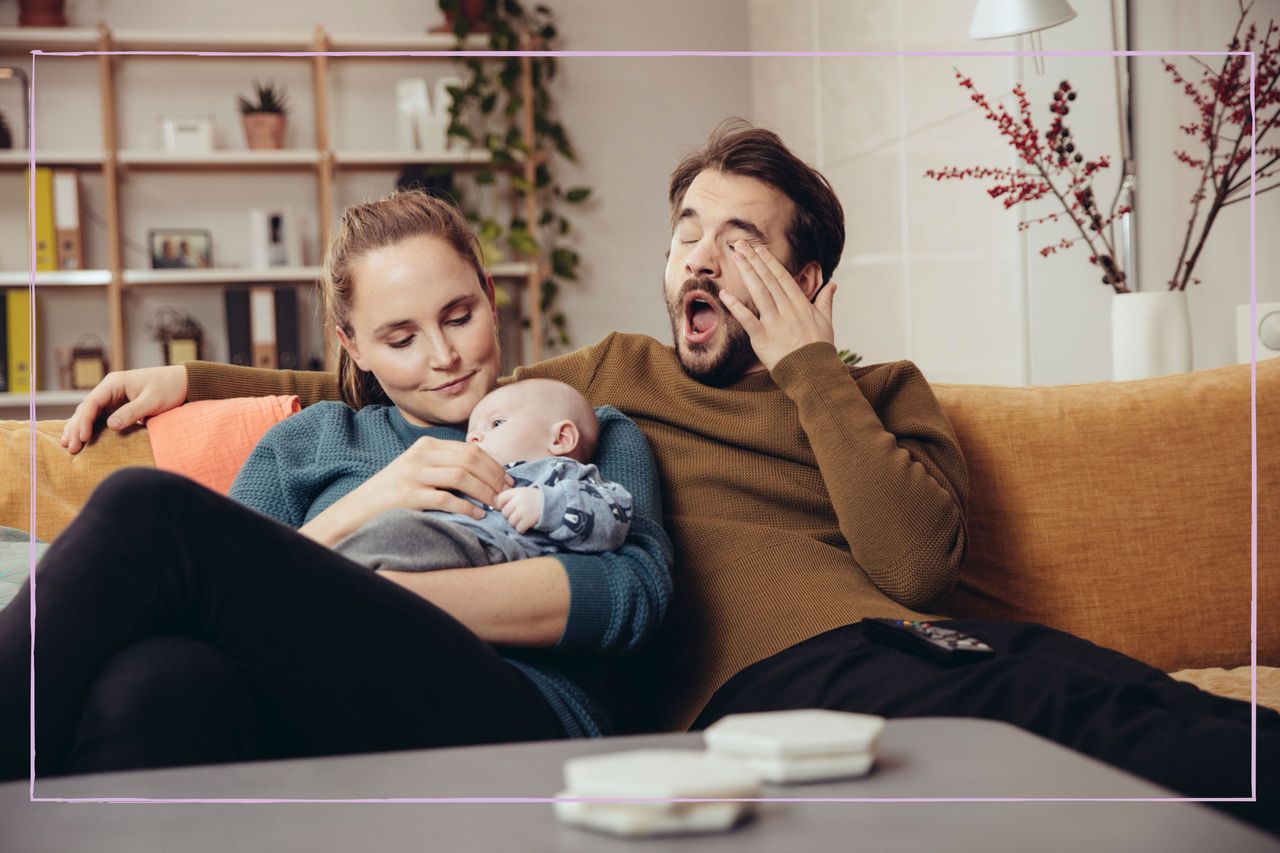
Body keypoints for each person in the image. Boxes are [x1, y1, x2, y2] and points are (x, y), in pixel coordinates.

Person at [51, 120, 1277, 833]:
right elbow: (403, 383)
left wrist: (806, 363)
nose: (697, 253)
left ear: (803, 279)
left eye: (736, 238)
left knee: (1191, 735)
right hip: (772, 695)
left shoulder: (883, 391)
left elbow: (914, 564)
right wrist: (198, 381)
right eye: (687, 226)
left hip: (926, 646)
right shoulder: (614, 374)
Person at [0, 190, 672, 779]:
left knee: (143, 507)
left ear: (492, 302)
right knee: (154, 685)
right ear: (354, 347)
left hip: (517, 712)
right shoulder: (308, 443)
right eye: (401, 337)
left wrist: (374, 596)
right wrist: (371, 500)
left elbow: (629, 595)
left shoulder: (577, 426)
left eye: (459, 316)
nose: (442, 356)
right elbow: (214, 595)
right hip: (309, 716)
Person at [325, 378, 634, 572]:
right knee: (380, 538)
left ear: (560, 439)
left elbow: (615, 517)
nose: (473, 440)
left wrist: (545, 506)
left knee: (389, 537)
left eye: (496, 424)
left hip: (488, 547)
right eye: (472, 432)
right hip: (441, 539)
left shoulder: (561, 474)